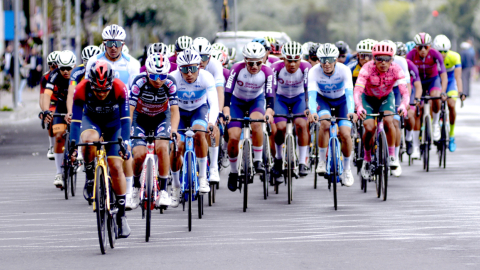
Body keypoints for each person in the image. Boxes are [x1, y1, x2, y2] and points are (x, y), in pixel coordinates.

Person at [69, 60, 131, 238]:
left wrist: (125, 144)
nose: (102, 93)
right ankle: (90, 176)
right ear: (91, 83)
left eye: (105, 90)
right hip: (92, 121)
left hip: (115, 124)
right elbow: (75, 121)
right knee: (88, 141)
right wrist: (73, 146)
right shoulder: (81, 88)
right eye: (97, 90)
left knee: (116, 166)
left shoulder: (120, 88)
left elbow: (126, 120)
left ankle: (121, 215)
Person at [85, 24, 140, 210]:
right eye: (110, 43)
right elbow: (86, 90)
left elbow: (134, 94)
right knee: (89, 142)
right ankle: (91, 175)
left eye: (117, 43)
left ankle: (129, 190)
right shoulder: (93, 61)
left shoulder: (132, 64)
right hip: (97, 110)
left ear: (123, 44)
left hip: (121, 110)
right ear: (104, 44)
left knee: (124, 151)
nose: (114, 47)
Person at [169, 49, 219, 207]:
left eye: (193, 68)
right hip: (179, 112)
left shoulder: (206, 77)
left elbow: (214, 103)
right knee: (177, 146)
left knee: (199, 134)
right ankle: (176, 187)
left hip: (199, 109)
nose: (189, 73)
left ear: (200, 67)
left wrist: (211, 122)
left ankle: (203, 177)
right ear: (179, 69)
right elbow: (166, 106)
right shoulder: (173, 78)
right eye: (184, 69)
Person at [223, 42, 276, 192]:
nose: (254, 66)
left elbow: (270, 97)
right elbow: (227, 93)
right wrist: (226, 112)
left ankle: (258, 161)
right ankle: (233, 172)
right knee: (233, 137)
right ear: (245, 59)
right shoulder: (236, 68)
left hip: (256, 101)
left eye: (258, 62)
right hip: (236, 102)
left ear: (264, 59)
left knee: (257, 123)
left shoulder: (268, 72)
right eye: (250, 63)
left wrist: (268, 113)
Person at [130, 53, 179, 208]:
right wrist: (127, 130)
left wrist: (174, 130)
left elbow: (175, 111)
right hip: (140, 118)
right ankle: (135, 187)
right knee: (138, 154)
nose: (158, 80)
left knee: (162, 147)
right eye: (154, 76)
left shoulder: (170, 83)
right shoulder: (139, 81)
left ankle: (164, 191)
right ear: (147, 73)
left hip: (160, 118)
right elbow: (130, 109)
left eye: (162, 75)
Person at [355, 42, 409, 180]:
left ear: (392, 60)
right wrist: (359, 107)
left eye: (387, 59)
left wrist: (403, 105)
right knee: (369, 127)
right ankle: (367, 159)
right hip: (367, 98)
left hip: (386, 97)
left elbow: (405, 92)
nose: (383, 62)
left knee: (389, 120)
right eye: (379, 59)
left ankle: (391, 156)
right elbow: (358, 90)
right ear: (374, 59)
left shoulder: (397, 69)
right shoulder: (367, 68)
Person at [307, 43, 356, 187]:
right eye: (323, 59)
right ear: (319, 60)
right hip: (324, 100)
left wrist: (351, 111)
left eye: (330, 59)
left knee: (346, 134)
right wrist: (313, 112)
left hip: (342, 101)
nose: (326, 63)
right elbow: (311, 95)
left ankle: (347, 170)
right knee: (325, 123)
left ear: (336, 60)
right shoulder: (314, 71)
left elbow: (349, 95)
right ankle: (322, 161)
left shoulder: (344, 70)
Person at [270, 41, 311, 178]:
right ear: (283, 58)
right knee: (280, 127)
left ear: (300, 59)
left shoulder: (306, 67)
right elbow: (271, 90)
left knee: (301, 125)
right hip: (280, 99)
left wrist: (307, 107)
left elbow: (307, 89)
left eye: (295, 60)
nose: (292, 64)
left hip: (298, 98)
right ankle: (279, 158)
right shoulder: (275, 68)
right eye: (289, 60)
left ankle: (301, 162)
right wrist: (269, 108)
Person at [191, 37, 225, 183]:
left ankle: (213, 169)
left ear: (209, 57)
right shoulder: (186, 64)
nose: (200, 60)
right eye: (197, 57)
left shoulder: (215, 66)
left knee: (213, 127)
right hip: (192, 99)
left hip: (208, 99)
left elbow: (219, 91)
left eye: (204, 57)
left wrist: (218, 113)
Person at [42, 50, 76, 187]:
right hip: (61, 106)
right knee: (59, 136)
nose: (66, 71)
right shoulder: (54, 74)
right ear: (58, 67)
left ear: (73, 66)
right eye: (63, 68)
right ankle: (59, 172)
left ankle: (77, 154)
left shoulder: (78, 74)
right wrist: (45, 110)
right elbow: (46, 94)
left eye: (69, 68)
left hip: (77, 105)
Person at [407, 32, 448, 143]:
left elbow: (443, 75)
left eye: (426, 47)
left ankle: (435, 123)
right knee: (416, 109)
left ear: (430, 46)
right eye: (420, 47)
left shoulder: (435, 54)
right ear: (416, 47)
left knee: (436, 97)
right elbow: (406, 77)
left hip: (432, 81)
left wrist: (443, 92)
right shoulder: (411, 55)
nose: (423, 50)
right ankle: (415, 144)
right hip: (417, 82)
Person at [433, 35, 467, 152]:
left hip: (451, 81)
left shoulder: (455, 57)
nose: (442, 54)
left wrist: (461, 92)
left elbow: (458, 77)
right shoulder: (432, 56)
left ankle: (451, 135)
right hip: (437, 80)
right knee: (434, 100)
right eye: (439, 51)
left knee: (452, 105)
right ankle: (433, 126)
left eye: (445, 51)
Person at [396, 42, 423, 158]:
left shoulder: (410, 65)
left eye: (402, 56)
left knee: (410, 114)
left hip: (408, 91)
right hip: (394, 91)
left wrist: (415, 99)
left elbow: (417, 85)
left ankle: (408, 138)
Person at [39, 51, 60, 160]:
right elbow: (42, 97)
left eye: (56, 65)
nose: (53, 68)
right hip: (52, 103)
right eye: (51, 66)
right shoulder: (45, 77)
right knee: (50, 117)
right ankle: (51, 146)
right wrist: (44, 111)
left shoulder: (66, 74)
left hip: (65, 102)